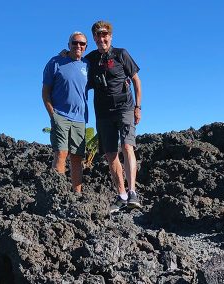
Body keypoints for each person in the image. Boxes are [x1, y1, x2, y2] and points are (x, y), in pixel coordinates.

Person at [85, 20, 142, 213]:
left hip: (125, 108)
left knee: (127, 145)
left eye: (105, 35)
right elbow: (76, 63)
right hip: (102, 112)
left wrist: (138, 107)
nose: (102, 38)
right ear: (94, 38)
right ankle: (122, 195)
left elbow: (136, 80)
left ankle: (132, 192)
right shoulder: (91, 58)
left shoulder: (121, 54)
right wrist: (65, 54)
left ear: (110, 36)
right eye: (98, 35)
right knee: (110, 154)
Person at [42, 31, 89, 193]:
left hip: (80, 118)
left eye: (82, 44)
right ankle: (58, 194)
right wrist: (52, 114)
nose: (78, 46)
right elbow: (45, 91)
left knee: (77, 157)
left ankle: (76, 195)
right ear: (68, 44)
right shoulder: (55, 62)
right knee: (61, 153)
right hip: (60, 115)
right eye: (75, 43)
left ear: (85, 47)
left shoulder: (87, 65)